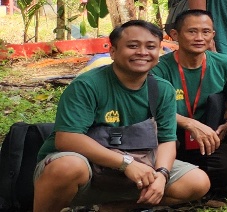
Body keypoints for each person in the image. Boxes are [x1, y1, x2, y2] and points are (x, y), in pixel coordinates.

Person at [32, 21, 210, 211]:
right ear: (113, 51)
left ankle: (110, 208)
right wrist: (126, 164)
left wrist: (162, 174)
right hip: (88, 171)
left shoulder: (162, 89)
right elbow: (67, 138)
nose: (142, 52)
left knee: (197, 181)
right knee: (68, 166)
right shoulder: (88, 85)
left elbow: (167, 140)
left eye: (150, 47)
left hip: (138, 167)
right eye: (133, 46)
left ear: (159, 52)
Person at [152, 11, 227, 195]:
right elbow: (153, 110)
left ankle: (196, 186)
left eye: (206, 32)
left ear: (213, 35)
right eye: (192, 31)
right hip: (169, 139)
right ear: (175, 35)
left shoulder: (223, 63)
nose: (199, 38)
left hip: (209, 138)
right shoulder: (159, 69)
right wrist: (189, 123)